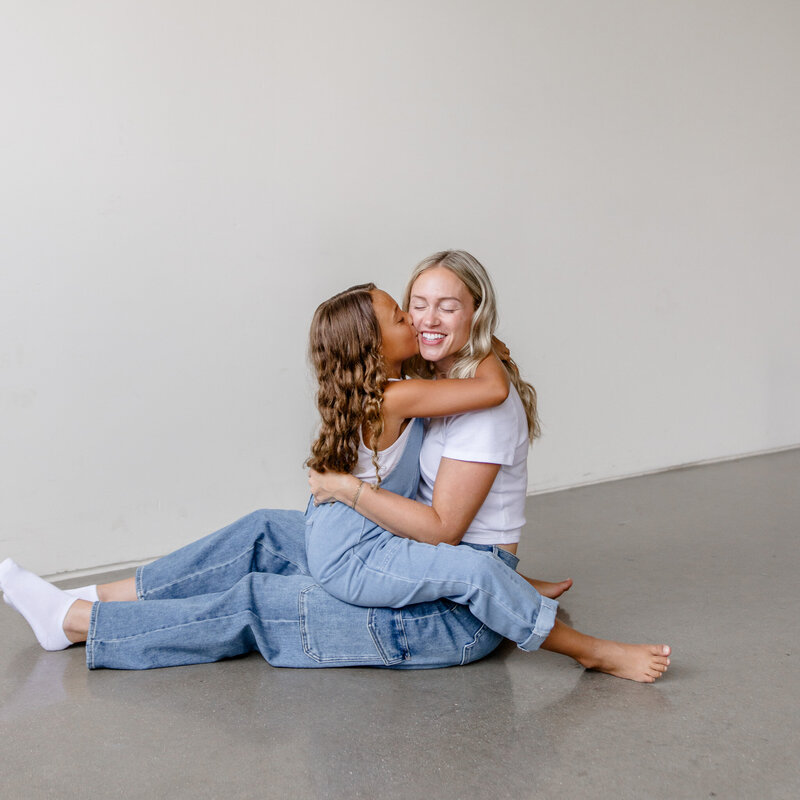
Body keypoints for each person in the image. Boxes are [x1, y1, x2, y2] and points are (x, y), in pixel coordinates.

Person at [0, 250, 671, 682]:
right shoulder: (422, 386)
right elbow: (458, 500)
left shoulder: (453, 401)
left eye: (446, 307)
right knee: (264, 530)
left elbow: (453, 528)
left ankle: (79, 622)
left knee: (254, 600)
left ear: (478, 313)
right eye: (411, 307)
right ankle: (91, 597)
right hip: (386, 550)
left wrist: (354, 493)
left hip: (432, 603)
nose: (421, 318)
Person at [303, 282, 558, 651]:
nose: (412, 318)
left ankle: (518, 585)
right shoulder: (396, 398)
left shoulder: (386, 390)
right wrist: (482, 342)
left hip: (345, 532)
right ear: (375, 346)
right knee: (473, 570)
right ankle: (580, 644)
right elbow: (493, 390)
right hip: (353, 549)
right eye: (399, 318)